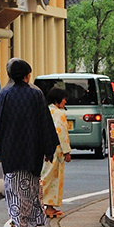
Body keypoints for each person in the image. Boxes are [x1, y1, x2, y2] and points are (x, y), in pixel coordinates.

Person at [0, 58, 59, 227]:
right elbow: (45, 123)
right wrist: (47, 147)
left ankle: (18, 225)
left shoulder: (6, 95)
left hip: (11, 148)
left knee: (13, 187)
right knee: (33, 187)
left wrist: (1, 141)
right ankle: (34, 225)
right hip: (32, 148)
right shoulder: (36, 94)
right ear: (28, 76)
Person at [41, 87, 72, 218]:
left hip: (43, 148)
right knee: (52, 178)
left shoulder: (44, 111)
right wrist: (67, 151)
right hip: (55, 150)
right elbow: (61, 133)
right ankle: (48, 207)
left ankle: (47, 206)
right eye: (63, 98)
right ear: (57, 99)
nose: (65, 101)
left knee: (45, 175)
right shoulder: (59, 114)